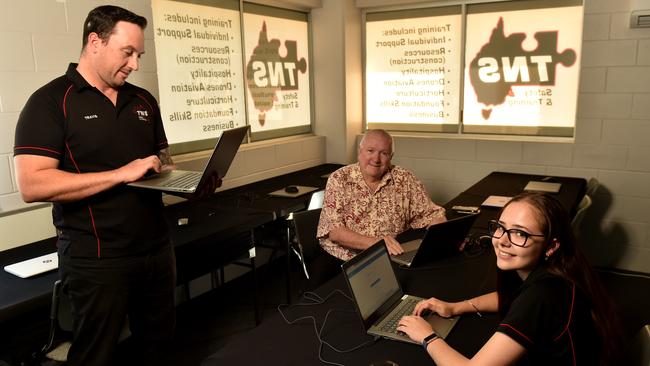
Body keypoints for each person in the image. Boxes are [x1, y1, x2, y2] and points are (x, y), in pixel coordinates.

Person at [13, 6, 213, 366]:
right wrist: (122, 173)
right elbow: (32, 184)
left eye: (140, 55)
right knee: (96, 355)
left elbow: (162, 163)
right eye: (127, 53)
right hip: (96, 258)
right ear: (95, 42)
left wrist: (189, 182)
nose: (135, 64)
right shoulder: (49, 102)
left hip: (156, 249)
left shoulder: (143, 101)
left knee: (158, 346)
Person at [397, 192, 622, 365]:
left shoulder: (544, 295)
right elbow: (511, 296)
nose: (502, 241)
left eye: (520, 233)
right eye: (501, 228)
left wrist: (427, 336)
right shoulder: (555, 273)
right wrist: (455, 307)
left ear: (551, 246)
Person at [317, 129, 446, 262]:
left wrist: (446, 235)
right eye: (370, 151)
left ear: (391, 157)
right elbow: (335, 232)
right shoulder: (339, 179)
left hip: (391, 254)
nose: (376, 159)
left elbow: (433, 215)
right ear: (359, 151)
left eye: (384, 153)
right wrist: (376, 243)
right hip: (346, 259)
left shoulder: (405, 178)